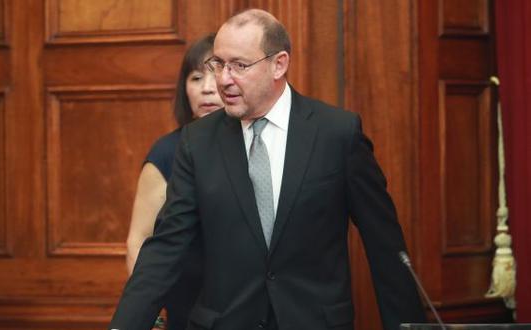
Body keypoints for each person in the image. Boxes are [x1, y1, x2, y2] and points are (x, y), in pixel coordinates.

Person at [111, 9, 426, 330]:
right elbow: (166, 247)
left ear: (279, 64)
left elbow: (385, 246)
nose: (223, 79)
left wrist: (409, 324)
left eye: (239, 66)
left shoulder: (337, 134)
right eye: (218, 64)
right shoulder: (197, 142)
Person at [124, 34, 223, 330]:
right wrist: (150, 316)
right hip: (188, 305)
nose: (206, 89)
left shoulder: (257, 145)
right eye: (195, 78)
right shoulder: (167, 152)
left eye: (214, 75)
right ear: (184, 90)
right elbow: (139, 239)